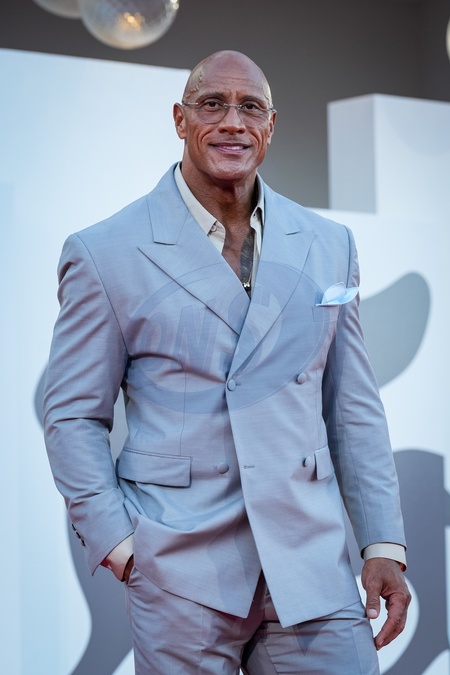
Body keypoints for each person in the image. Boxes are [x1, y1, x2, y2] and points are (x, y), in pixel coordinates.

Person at [43, 50, 410, 674]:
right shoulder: (106, 252)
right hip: (180, 570)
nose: (233, 122)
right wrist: (119, 544)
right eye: (212, 104)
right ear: (180, 119)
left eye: (251, 107)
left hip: (311, 564)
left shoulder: (328, 244)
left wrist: (382, 543)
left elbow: (352, 408)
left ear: (271, 125)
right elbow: (73, 416)